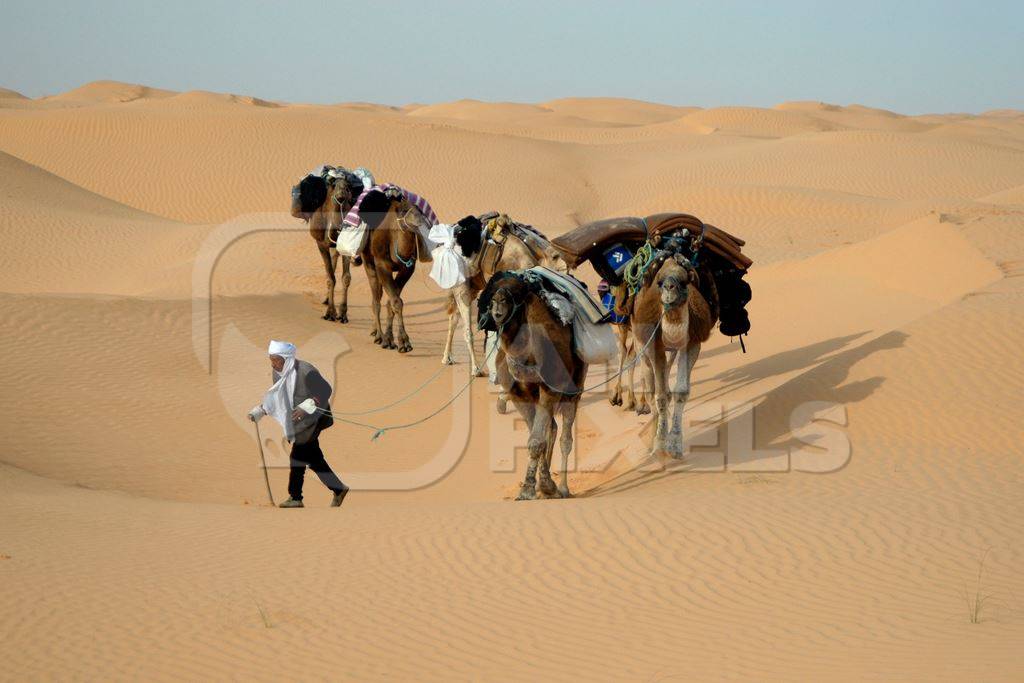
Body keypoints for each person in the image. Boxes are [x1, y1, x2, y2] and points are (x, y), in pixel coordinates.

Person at [248, 340, 348, 508]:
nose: (273, 364)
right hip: (297, 423)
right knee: (314, 459)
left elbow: (325, 390)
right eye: (271, 359)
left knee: (297, 457)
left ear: (286, 358)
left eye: (276, 360)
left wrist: (306, 407)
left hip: (314, 419)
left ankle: (295, 497)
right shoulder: (277, 373)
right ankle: (338, 488)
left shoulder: (306, 371)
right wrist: (261, 410)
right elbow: (277, 397)